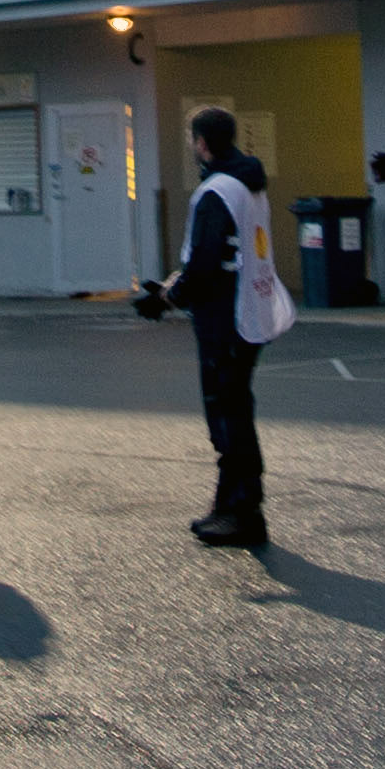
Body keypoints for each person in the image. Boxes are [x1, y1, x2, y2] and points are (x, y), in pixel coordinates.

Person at [135, 107, 274, 548]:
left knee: (227, 414)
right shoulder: (249, 184)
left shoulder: (216, 191)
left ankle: (242, 511)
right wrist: (173, 290)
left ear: (202, 143)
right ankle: (229, 505)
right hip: (250, 309)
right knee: (235, 408)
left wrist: (168, 298)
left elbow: (206, 261)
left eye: (194, 139)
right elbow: (228, 254)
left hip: (224, 318)